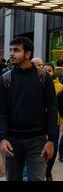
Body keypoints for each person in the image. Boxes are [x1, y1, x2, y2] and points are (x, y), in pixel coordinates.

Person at [0, 37, 57, 181]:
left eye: (16, 50)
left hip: (37, 140)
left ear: (27, 54)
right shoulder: (5, 79)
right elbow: (1, 113)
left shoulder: (43, 77)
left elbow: (51, 109)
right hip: (12, 141)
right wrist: (2, 138)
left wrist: (51, 140)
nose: (11, 54)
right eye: (11, 50)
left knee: (37, 178)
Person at [42, 63, 63, 181]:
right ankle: (42, 169)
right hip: (40, 121)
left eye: (49, 71)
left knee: (53, 146)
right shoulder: (37, 84)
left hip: (54, 121)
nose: (47, 72)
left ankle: (48, 170)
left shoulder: (60, 87)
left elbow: (62, 105)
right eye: (44, 70)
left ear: (53, 72)